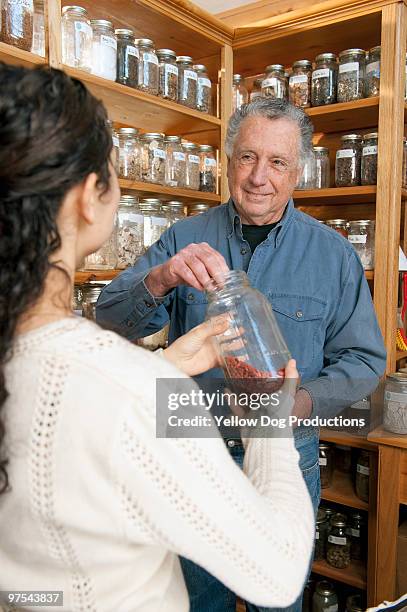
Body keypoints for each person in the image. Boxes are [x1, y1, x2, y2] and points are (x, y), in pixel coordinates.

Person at [0, 65, 315, 611]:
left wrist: (164, 367)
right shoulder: (131, 390)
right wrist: (266, 420)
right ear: (86, 199)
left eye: (278, 162)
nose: (260, 175)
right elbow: (278, 570)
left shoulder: (50, 366)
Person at [97, 97, 387, 612]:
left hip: (287, 457)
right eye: (247, 157)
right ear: (228, 161)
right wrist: (162, 276)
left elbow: (364, 361)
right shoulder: (184, 239)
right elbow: (110, 317)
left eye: (277, 162)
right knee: (195, 598)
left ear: (298, 171)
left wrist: (298, 404)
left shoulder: (334, 255)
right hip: (193, 452)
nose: (259, 176)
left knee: (276, 600)